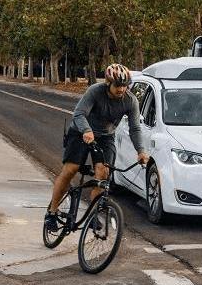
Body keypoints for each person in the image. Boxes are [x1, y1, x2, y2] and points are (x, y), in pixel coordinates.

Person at [45, 63, 150, 231]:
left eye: (125, 85)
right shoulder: (95, 91)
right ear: (108, 83)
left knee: (103, 174)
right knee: (71, 169)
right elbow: (79, 114)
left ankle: (93, 215)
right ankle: (51, 212)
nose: (121, 89)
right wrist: (86, 130)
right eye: (118, 85)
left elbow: (135, 128)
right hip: (81, 132)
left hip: (106, 137)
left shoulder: (130, 101)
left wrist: (141, 151)